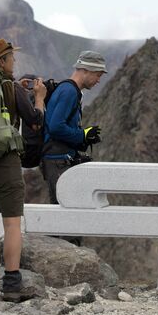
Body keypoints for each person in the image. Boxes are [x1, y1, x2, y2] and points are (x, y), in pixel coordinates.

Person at [0, 38, 46, 301]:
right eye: (11, 58)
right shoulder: (10, 87)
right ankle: (11, 283)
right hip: (5, 160)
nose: (14, 63)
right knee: (12, 223)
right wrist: (38, 98)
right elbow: (35, 122)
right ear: (2, 61)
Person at [41, 51, 106, 207]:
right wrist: (82, 136)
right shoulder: (69, 91)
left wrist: (83, 140)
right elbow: (56, 127)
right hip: (58, 160)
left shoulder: (68, 90)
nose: (98, 80)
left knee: (66, 210)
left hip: (58, 158)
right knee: (65, 212)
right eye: (97, 75)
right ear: (85, 70)